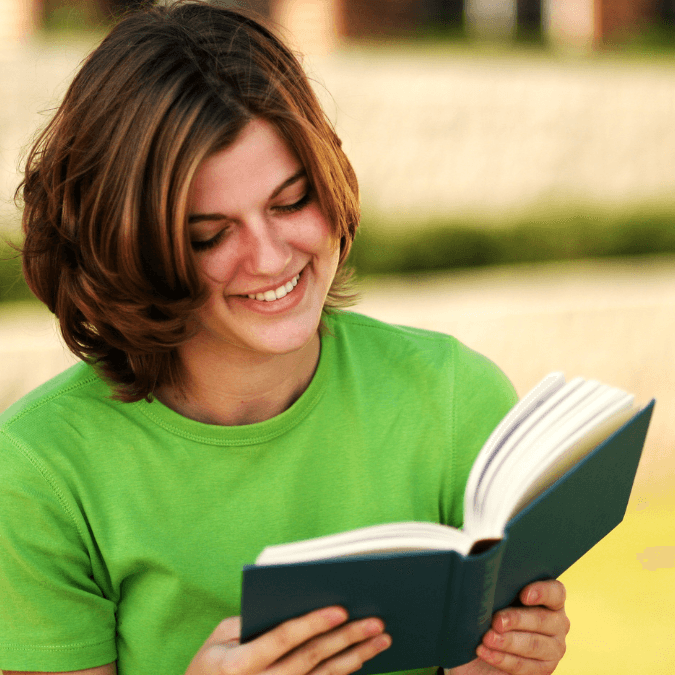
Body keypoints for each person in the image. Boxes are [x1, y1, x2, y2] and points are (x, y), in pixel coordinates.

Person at [0, 2, 569, 674]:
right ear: (129, 248)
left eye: (290, 201)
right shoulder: (41, 471)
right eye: (209, 235)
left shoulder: (452, 397)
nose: (270, 259)